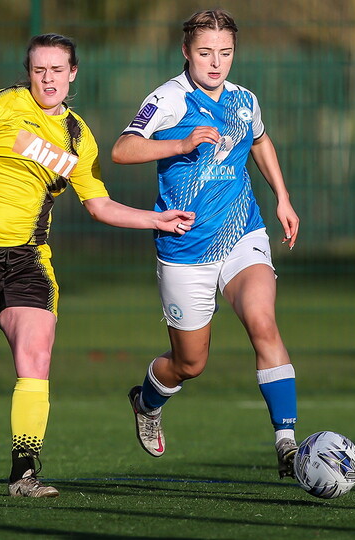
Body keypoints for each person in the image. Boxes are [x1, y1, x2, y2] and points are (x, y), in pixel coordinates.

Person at [0, 33, 195, 498]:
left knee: (35, 355)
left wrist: (154, 218)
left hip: (26, 259)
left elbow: (99, 204)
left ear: (72, 73)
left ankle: (24, 473)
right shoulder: (4, 105)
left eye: (57, 69)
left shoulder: (78, 137)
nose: (48, 78)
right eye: (39, 70)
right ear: (29, 73)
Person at [111, 9, 301, 478]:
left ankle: (287, 444)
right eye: (205, 53)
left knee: (262, 321)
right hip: (185, 248)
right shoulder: (168, 99)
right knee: (189, 364)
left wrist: (283, 198)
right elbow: (122, 149)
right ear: (185, 52)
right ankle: (148, 400)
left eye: (225, 52)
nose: (216, 63)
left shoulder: (244, 100)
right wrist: (178, 144)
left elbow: (260, 141)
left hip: (242, 233)